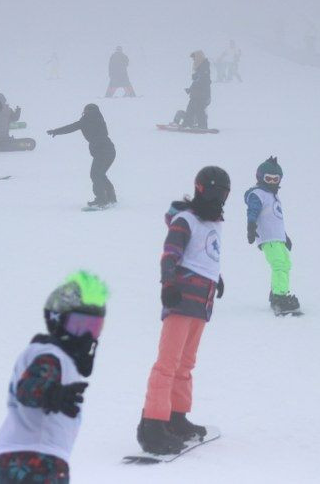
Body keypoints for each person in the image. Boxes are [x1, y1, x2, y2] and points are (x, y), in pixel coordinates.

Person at [137, 166, 230, 455]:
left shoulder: (213, 223)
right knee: (168, 363)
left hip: (202, 303)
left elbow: (204, 254)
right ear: (201, 189)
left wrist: (216, 277)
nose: (218, 198)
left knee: (186, 364)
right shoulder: (185, 220)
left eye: (223, 193)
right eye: (214, 191)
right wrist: (168, 283)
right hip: (181, 300)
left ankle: (176, 417)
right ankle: (152, 425)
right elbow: (171, 253)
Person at [0, 271, 108, 484]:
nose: (87, 336)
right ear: (57, 321)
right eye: (79, 325)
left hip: (19, 458)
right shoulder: (51, 356)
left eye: (94, 327)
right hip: (36, 460)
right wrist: (53, 394)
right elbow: (29, 388)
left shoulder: (46, 354)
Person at [244, 157, 302, 316]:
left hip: (277, 238)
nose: (271, 182)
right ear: (260, 177)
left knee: (286, 264)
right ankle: (279, 296)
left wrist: (284, 236)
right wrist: (251, 226)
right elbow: (253, 211)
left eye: (275, 179)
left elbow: (275, 220)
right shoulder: (258, 194)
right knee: (279, 265)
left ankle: (277, 292)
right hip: (268, 238)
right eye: (268, 178)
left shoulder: (273, 196)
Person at [47, 104, 117, 208]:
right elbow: (71, 127)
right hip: (110, 151)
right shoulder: (99, 120)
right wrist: (56, 131)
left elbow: (71, 127)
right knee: (100, 174)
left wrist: (56, 131)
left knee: (96, 174)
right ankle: (110, 197)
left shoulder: (86, 121)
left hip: (102, 152)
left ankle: (102, 199)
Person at [174, 51, 211, 130]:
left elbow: (203, 81)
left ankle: (202, 126)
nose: (193, 60)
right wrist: (190, 89)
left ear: (199, 58)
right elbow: (196, 82)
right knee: (190, 109)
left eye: (194, 58)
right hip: (196, 94)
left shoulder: (204, 67)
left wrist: (196, 78)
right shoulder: (200, 68)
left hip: (202, 95)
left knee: (199, 109)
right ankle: (187, 124)